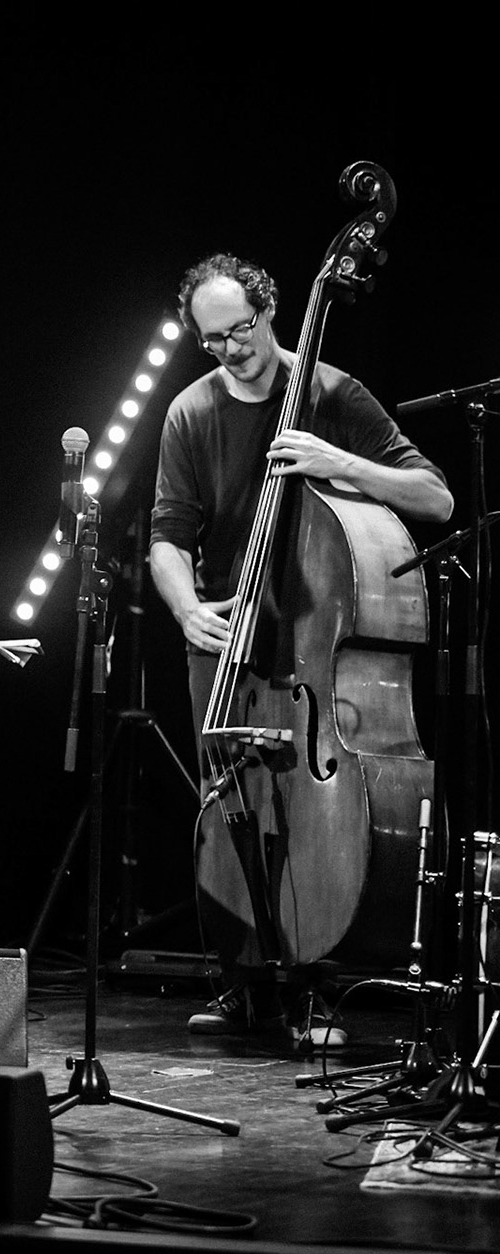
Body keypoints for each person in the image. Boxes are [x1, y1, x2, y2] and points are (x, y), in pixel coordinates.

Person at [149, 254, 453, 1047]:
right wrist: (185, 609)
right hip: (230, 639)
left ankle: (319, 982)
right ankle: (248, 983)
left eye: (240, 330)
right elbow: (167, 538)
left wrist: (338, 462)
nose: (230, 349)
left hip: (317, 645)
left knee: (317, 814)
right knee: (234, 809)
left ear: (269, 310)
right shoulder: (190, 411)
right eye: (211, 340)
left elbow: (435, 495)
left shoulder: (332, 394)